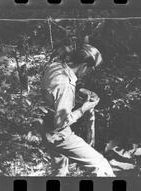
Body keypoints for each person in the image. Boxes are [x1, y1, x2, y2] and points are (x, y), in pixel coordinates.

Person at [41, 43, 115, 177]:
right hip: (57, 134)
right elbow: (60, 123)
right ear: (84, 66)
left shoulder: (56, 66)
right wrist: (84, 109)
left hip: (43, 124)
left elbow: (55, 95)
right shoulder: (67, 84)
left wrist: (76, 97)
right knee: (101, 165)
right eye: (88, 70)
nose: (86, 73)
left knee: (60, 170)